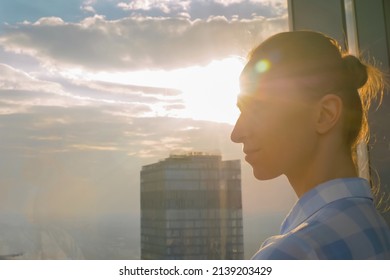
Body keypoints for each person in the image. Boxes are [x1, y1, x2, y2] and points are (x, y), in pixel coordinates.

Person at [230, 30, 390, 259]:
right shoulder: (374, 226)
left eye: (257, 108)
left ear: (325, 115)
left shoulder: (292, 254)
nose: (236, 133)